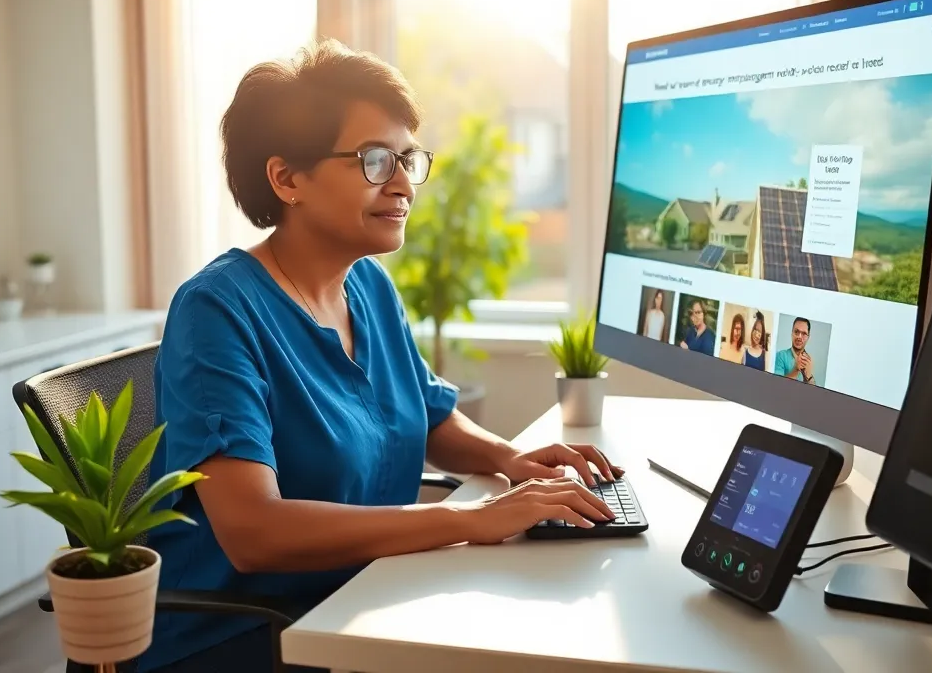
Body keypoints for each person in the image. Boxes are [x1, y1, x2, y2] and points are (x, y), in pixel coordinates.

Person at [141, 40, 624, 673]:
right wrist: (471, 519)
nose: (402, 183)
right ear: (287, 179)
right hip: (252, 638)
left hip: (366, 598)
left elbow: (428, 415)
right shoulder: (217, 311)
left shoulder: (367, 285)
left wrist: (509, 459)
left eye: (406, 159)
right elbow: (254, 532)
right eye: (373, 160)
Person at [775, 316, 817, 384]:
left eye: (804, 334)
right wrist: (795, 369)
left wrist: (809, 377)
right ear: (792, 333)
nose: (799, 337)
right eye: (796, 332)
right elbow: (777, 384)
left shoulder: (809, 361)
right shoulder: (780, 356)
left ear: (808, 337)